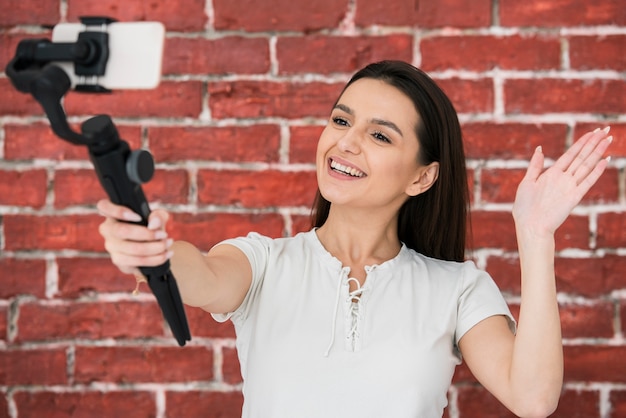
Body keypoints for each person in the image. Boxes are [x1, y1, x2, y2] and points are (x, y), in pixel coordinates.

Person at [97, 60, 613, 417]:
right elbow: (201, 273)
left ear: (422, 178)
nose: (345, 141)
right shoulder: (265, 264)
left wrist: (537, 234)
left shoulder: (458, 289)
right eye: (341, 120)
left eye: (380, 134)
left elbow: (534, 397)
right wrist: (152, 251)